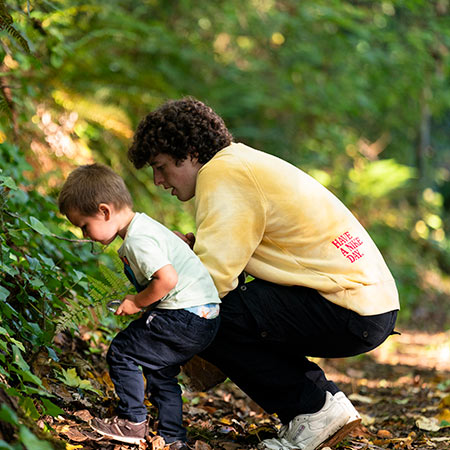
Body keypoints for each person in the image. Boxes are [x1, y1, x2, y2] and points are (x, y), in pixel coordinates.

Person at [127, 97, 400, 450]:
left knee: (210, 316)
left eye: (161, 167)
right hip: (364, 303)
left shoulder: (223, 174)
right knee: (224, 312)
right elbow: (233, 261)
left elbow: (214, 283)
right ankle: (322, 405)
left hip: (349, 305)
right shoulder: (239, 164)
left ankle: (313, 411)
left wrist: (157, 315)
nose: (157, 180)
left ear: (191, 151)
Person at [58, 163, 220, 448]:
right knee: (159, 369)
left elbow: (167, 279)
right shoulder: (145, 226)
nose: (85, 235)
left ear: (104, 211)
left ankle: (132, 421)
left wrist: (136, 301)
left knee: (122, 351)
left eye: (85, 226)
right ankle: (173, 436)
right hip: (205, 316)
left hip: (185, 315)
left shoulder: (137, 240)